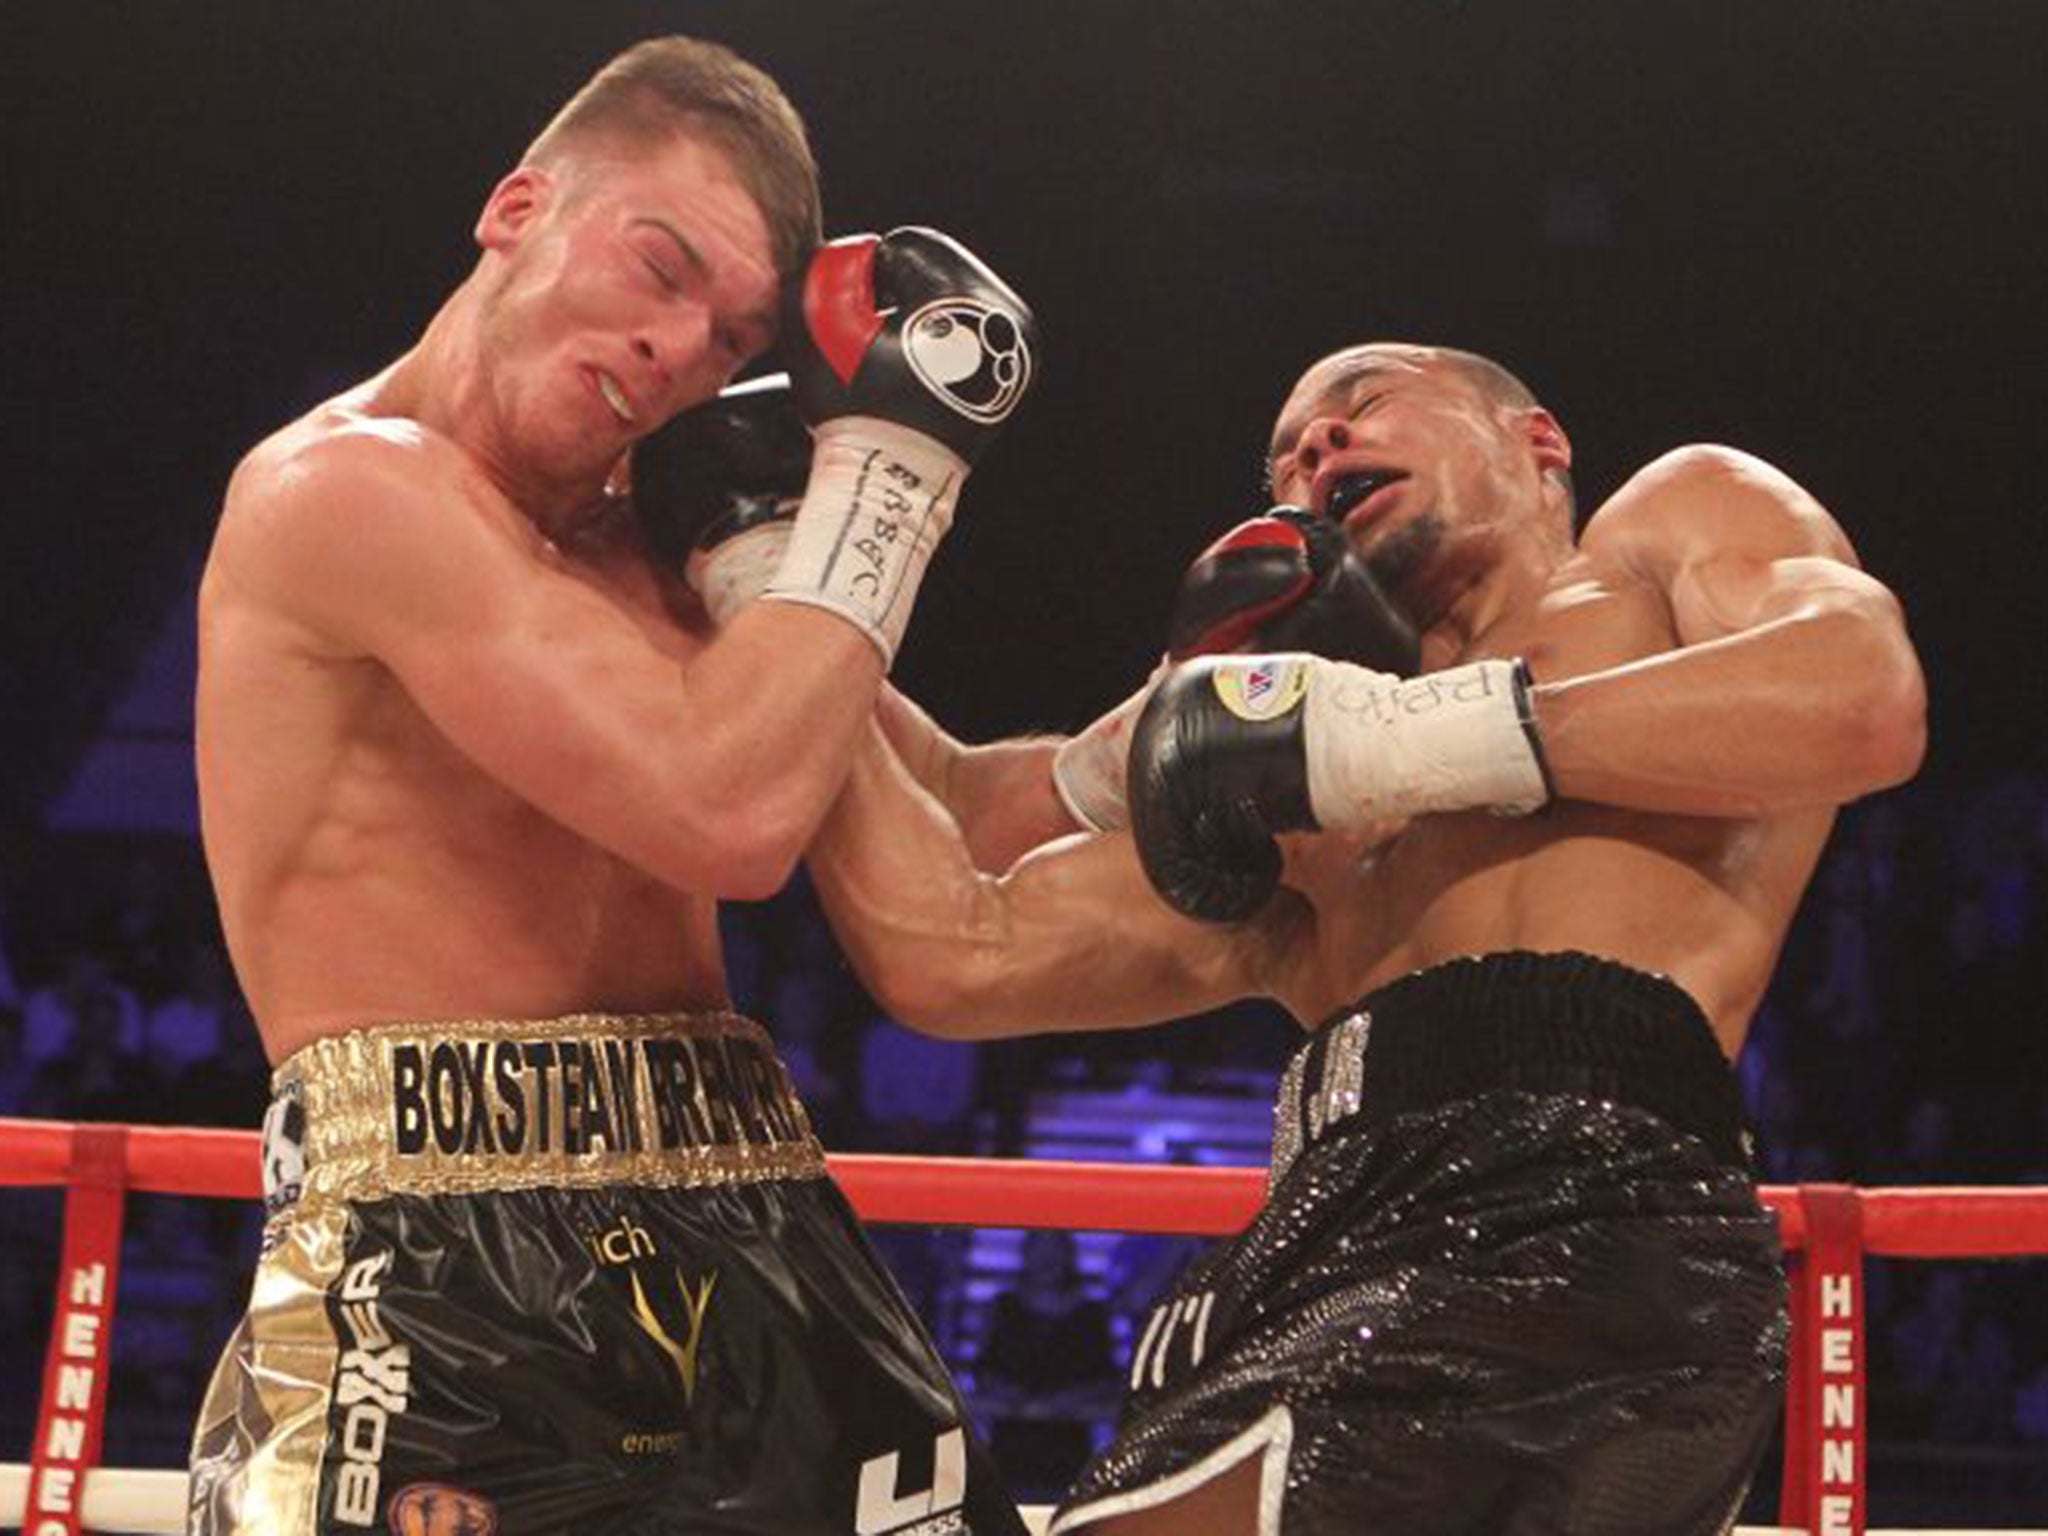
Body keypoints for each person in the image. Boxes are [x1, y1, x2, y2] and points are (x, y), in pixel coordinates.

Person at [799, 341, 1926, 1535]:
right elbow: (956, 935)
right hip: (1313, 1244)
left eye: (1361, 407)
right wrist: (781, 564)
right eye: (1285, 454)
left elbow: (1861, 696)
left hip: (1569, 1222)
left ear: (1534, 441)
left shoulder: (1663, 538)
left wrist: (1396, 739)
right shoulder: (1294, 798)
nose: (1315, 450)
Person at [187, 34, 1037, 1536]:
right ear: (518, 209)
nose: (682, 352)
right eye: (661, 269)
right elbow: (730, 815)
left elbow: (946, 800)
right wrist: (893, 466)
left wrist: (1279, 728)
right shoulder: (343, 493)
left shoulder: (664, 539)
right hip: (447, 1273)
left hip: (768, 1233)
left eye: (730, 339)